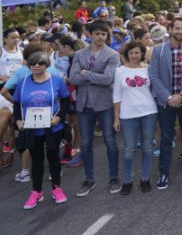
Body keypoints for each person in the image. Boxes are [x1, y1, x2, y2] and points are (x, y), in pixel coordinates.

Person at [149, 17, 182, 189]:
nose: (180, 31)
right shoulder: (158, 50)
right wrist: (168, 97)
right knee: (166, 138)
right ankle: (163, 173)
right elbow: (154, 76)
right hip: (165, 101)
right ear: (171, 28)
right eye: (177, 28)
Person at [69, 21, 122, 197]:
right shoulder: (79, 54)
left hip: (105, 103)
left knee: (110, 141)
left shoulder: (113, 55)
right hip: (84, 104)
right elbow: (73, 78)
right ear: (89, 34)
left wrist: (86, 73)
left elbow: (108, 79)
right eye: (97, 33)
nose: (100, 37)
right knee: (85, 143)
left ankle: (114, 177)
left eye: (104, 34)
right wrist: (88, 76)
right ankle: (89, 179)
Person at [14, 51, 70, 209]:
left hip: (52, 128)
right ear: (29, 65)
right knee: (37, 161)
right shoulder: (23, 82)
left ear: (46, 65)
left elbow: (65, 102)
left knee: (53, 158)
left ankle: (57, 189)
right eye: (33, 63)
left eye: (40, 63)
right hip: (31, 129)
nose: (36, 66)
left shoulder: (57, 80)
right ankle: (36, 192)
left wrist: (58, 118)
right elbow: (16, 104)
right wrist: (18, 121)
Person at [112, 40, 157, 195]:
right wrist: (116, 118)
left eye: (137, 52)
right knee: (129, 150)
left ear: (142, 54)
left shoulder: (149, 69)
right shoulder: (120, 71)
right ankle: (127, 180)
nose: (134, 55)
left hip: (148, 112)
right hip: (128, 115)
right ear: (127, 54)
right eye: (131, 53)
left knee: (147, 147)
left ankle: (145, 178)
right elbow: (116, 95)